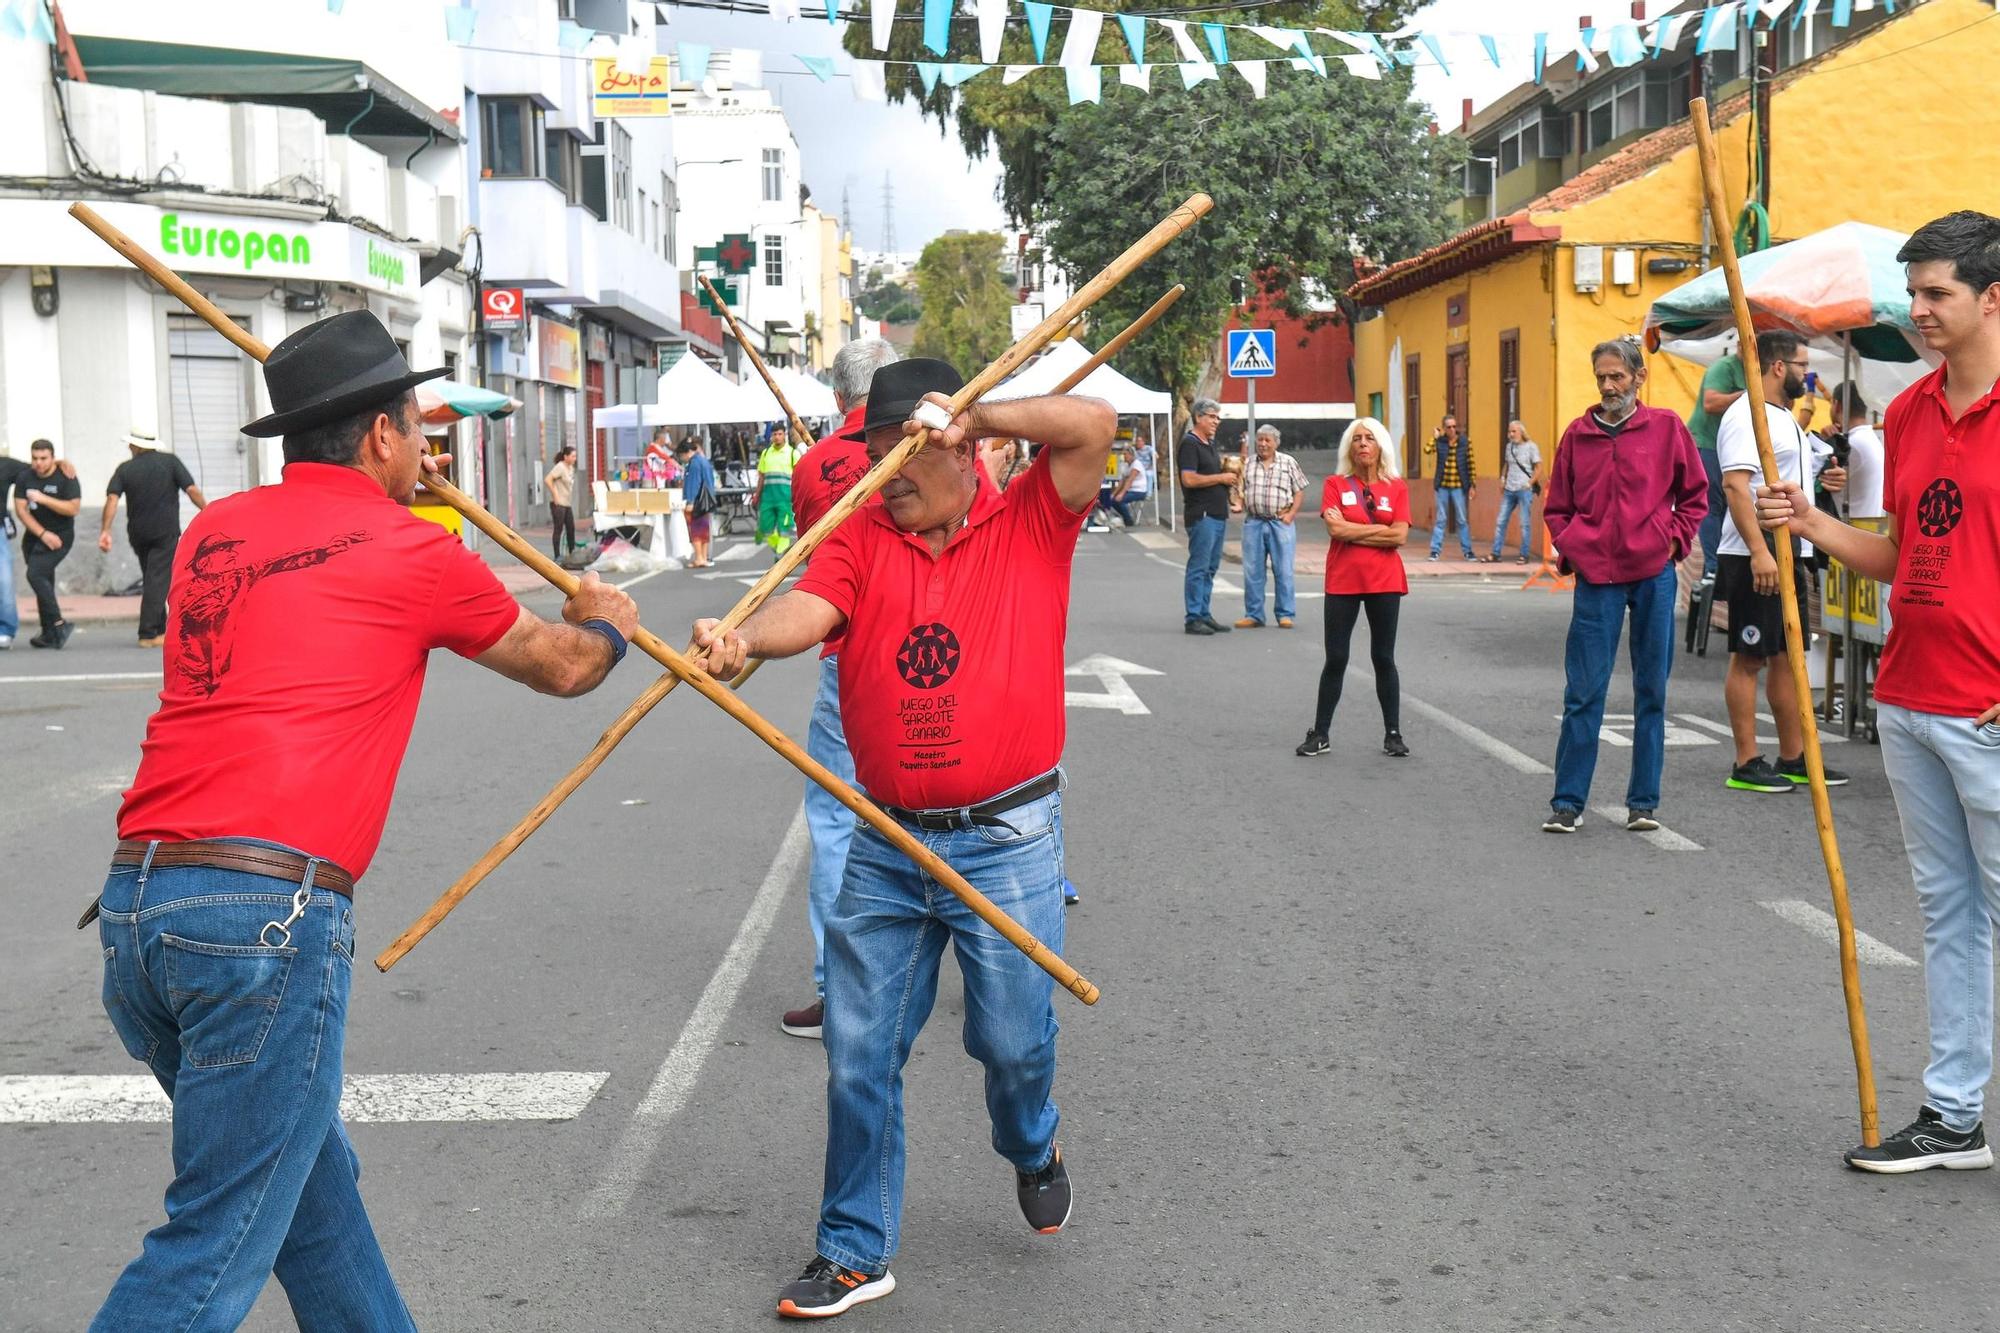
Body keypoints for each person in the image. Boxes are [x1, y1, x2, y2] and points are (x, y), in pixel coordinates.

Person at [86, 310, 638, 1330]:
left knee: (305, 1192)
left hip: (138, 905)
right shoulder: (410, 546)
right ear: (379, 436)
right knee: (214, 1242)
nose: (430, 450)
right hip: (261, 921)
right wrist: (608, 620)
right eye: (417, 428)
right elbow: (564, 668)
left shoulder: (216, 530)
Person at [691, 358, 1113, 1319]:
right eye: (874, 459)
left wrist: (981, 411)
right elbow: (814, 607)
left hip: (1005, 837)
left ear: (961, 449)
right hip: (886, 840)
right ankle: (853, 1246)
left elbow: (1090, 423)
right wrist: (749, 638)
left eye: (902, 458)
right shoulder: (863, 534)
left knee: (1009, 1040)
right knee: (858, 1047)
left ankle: (1032, 1139)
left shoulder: (1032, 520)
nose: (885, 479)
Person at [1757, 210, 2000, 1174]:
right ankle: (1954, 1114)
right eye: (1914, 294)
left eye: (1938, 293)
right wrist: (1808, 519)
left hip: (1987, 704)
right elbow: (1902, 555)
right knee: (1949, 912)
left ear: (1993, 297)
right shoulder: (1905, 413)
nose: (1920, 311)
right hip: (1909, 694)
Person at [779, 335, 898, 1041]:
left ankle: (838, 986)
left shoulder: (814, 465)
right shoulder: (940, 447)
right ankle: (985, 970)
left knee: (835, 821)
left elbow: (818, 566)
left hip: (846, 653)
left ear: (837, 398)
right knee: (947, 803)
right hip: (927, 652)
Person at [1542, 338, 1708, 834]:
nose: (1609, 385)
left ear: (1639, 377)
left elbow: (1696, 495)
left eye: (1617, 376)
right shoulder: (1578, 434)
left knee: (1650, 690)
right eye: (1602, 378)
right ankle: (1568, 803)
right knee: (1583, 691)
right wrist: (1575, 546)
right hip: (1597, 579)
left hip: (1653, 575)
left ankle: (1643, 803)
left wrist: (1672, 542)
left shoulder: (1666, 429)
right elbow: (1558, 506)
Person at [1715, 329, 1851, 794]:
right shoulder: (1746, 415)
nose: (1807, 377)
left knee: (1786, 655)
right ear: (1778, 367)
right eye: (1802, 367)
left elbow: (1792, 480)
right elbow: (1736, 486)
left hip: (1789, 547)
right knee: (1750, 655)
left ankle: (1793, 756)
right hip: (1754, 549)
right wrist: (1759, 552)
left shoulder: (1784, 419)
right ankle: (1745, 760)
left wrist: (1825, 477)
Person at [1296, 417, 1410, 759]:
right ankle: (1321, 733)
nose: (1362, 444)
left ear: (1380, 447)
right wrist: (1380, 534)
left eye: (1369, 438)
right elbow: (1336, 532)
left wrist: (1352, 528)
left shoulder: (1396, 487)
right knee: (1337, 657)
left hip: (1385, 581)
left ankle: (1393, 734)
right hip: (1343, 580)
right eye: (1357, 438)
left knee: (1383, 657)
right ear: (1349, 447)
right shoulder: (1334, 483)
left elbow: (1401, 535)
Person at [99, 429, 208, 647]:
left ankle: (159, 630)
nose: (129, 448)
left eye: (131, 445)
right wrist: (208, 511)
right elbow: (192, 490)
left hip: (138, 533)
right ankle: (148, 633)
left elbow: (112, 499)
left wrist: (106, 530)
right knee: (157, 580)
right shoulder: (170, 462)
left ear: (137, 446)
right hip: (164, 532)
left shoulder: (125, 469)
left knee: (153, 578)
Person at [0, 446, 75, 650]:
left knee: (11, 580)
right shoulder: (18, 471)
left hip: (5, 532)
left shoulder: (6, 465)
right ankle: (50, 630)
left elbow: (38, 468)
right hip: (33, 538)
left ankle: (8, 630)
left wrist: (59, 462)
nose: (39, 461)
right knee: (40, 576)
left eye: (44, 458)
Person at [1235, 424, 1308, 629]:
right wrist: (1239, 503)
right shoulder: (1248, 464)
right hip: (1254, 522)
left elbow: (1299, 490)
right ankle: (1254, 614)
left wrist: (1291, 514)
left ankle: (1285, 614)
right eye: (1260, 440)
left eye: (1268, 440)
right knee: (1253, 571)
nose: (1263, 444)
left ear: (1276, 442)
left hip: (1280, 523)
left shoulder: (1288, 463)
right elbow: (1240, 490)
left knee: (1283, 570)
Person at [1686, 350, 1746, 582]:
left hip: (1729, 445)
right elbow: (1710, 402)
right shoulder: (1725, 367)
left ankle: (1720, 565)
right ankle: (1713, 567)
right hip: (1707, 442)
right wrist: (1747, 395)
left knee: (1727, 505)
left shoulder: (1763, 367)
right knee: (1712, 504)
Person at [1178, 396, 1234, 634]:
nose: (1216, 421)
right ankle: (1193, 617)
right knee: (1199, 567)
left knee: (1210, 567)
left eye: (1218, 417)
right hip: (1202, 514)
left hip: (1217, 513)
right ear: (1198, 417)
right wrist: (1221, 478)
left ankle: (1204, 612)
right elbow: (1188, 478)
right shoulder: (1190, 444)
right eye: (1212, 416)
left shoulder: (1209, 443)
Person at [1485, 419, 1543, 564]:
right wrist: (1503, 479)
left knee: (1524, 523)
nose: (1511, 434)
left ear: (1521, 432)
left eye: (1514, 431)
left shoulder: (1531, 447)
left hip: (1524, 490)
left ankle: (1524, 555)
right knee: (1500, 521)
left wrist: (1529, 483)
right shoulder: (1509, 447)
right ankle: (1495, 553)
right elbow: (1507, 464)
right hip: (1509, 490)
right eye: (1509, 431)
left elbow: (1539, 467)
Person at [1424, 414, 1476, 561]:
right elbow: (1427, 450)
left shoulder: (1465, 442)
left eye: (1454, 426)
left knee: (1462, 519)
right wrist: (1434, 437)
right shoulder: (1440, 442)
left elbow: (1471, 463)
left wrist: (1473, 484)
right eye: (1449, 427)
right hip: (1442, 486)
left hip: (1459, 486)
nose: (1452, 429)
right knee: (1441, 519)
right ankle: (1435, 551)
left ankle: (1468, 551)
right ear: (1444, 428)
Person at [1830, 382, 1885, 520]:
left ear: (1837, 405)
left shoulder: (1853, 444)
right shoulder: (1869, 438)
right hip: (1867, 525)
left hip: (1850, 531)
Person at [755, 428, 801, 556]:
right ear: (771, 436)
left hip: (785, 500)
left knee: (784, 530)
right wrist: (756, 495)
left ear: (784, 435)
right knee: (766, 530)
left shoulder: (793, 454)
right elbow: (761, 477)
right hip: (767, 499)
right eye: (774, 434)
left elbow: (799, 477)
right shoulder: (766, 453)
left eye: (779, 434)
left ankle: (780, 557)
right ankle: (778, 551)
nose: (777, 437)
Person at [677, 439, 718, 568]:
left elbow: (694, 484)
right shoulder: (704, 460)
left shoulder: (694, 463)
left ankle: (699, 558)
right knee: (704, 531)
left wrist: (690, 501)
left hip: (697, 502)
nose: (682, 458)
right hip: (707, 500)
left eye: (681, 455)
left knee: (696, 531)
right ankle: (703, 557)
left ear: (686, 453)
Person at [1100, 445, 1149, 526]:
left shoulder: (1136, 465)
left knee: (1121, 500)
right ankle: (1124, 516)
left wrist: (1121, 494)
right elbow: (1122, 482)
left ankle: (1128, 521)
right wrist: (1114, 494)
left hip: (1139, 491)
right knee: (1112, 500)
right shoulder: (1126, 466)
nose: (1124, 456)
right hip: (1130, 490)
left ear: (1131, 455)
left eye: (1126, 454)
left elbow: (1129, 481)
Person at [545, 444, 577, 560]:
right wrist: (555, 496)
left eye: (575, 456)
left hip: (567, 503)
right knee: (558, 528)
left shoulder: (570, 468)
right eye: (572, 456)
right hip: (558, 504)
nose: (574, 459)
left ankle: (572, 553)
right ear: (565, 457)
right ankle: (557, 555)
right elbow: (548, 479)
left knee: (571, 528)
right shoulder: (560, 467)